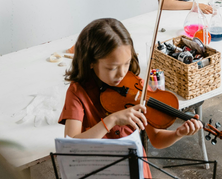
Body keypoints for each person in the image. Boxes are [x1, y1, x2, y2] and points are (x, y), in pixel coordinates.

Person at [60, 19, 203, 177]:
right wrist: (111, 120)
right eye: (112, 68)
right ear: (90, 62)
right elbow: (72, 147)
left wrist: (178, 133)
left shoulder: (136, 87)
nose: (121, 73)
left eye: (126, 63)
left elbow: (156, 138)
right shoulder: (77, 92)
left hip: (135, 169)